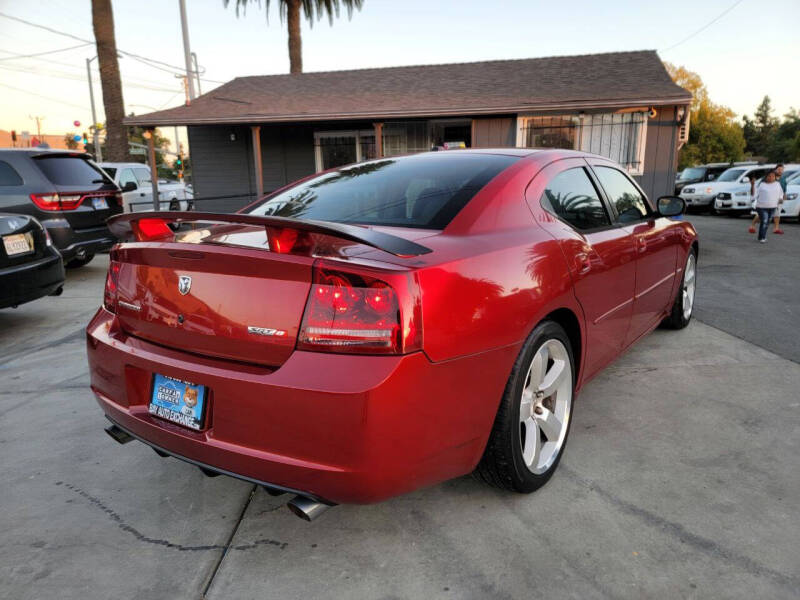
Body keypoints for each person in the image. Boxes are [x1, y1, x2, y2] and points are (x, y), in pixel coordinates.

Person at [754, 169, 784, 243]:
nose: (771, 177)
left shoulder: (777, 184)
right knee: (764, 220)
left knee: (767, 222)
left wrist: (780, 198)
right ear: (766, 177)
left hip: (773, 206)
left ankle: (761, 236)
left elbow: (781, 193)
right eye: (769, 176)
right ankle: (762, 238)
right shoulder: (762, 185)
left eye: (773, 176)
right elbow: (755, 194)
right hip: (761, 207)